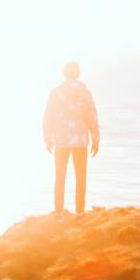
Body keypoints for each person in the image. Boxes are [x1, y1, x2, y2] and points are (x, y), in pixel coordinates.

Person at [44, 61, 100, 214]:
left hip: (61, 140)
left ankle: (59, 213)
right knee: (81, 177)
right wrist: (95, 139)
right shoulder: (85, 93)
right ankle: (80, 213)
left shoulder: (56, 93)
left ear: (64, 73)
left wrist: (48, 137)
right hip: (80, 141)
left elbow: (48, 116)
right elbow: (92, 117)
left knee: (60, 178)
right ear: (78, 73)